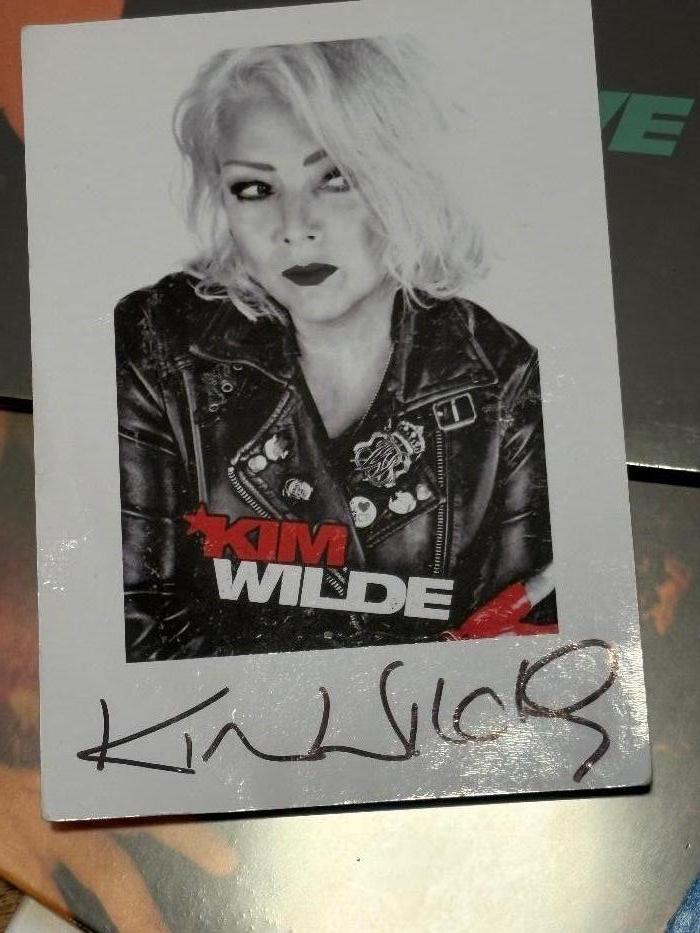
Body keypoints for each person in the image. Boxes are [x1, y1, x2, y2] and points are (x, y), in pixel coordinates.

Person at [115, 36, 556, 662]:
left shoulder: (499, 378)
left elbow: (519, 657)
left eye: (337, 178)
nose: (296, 227)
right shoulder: (159, 344)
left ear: (405, 181)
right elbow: (133, 632)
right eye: (254, 188)